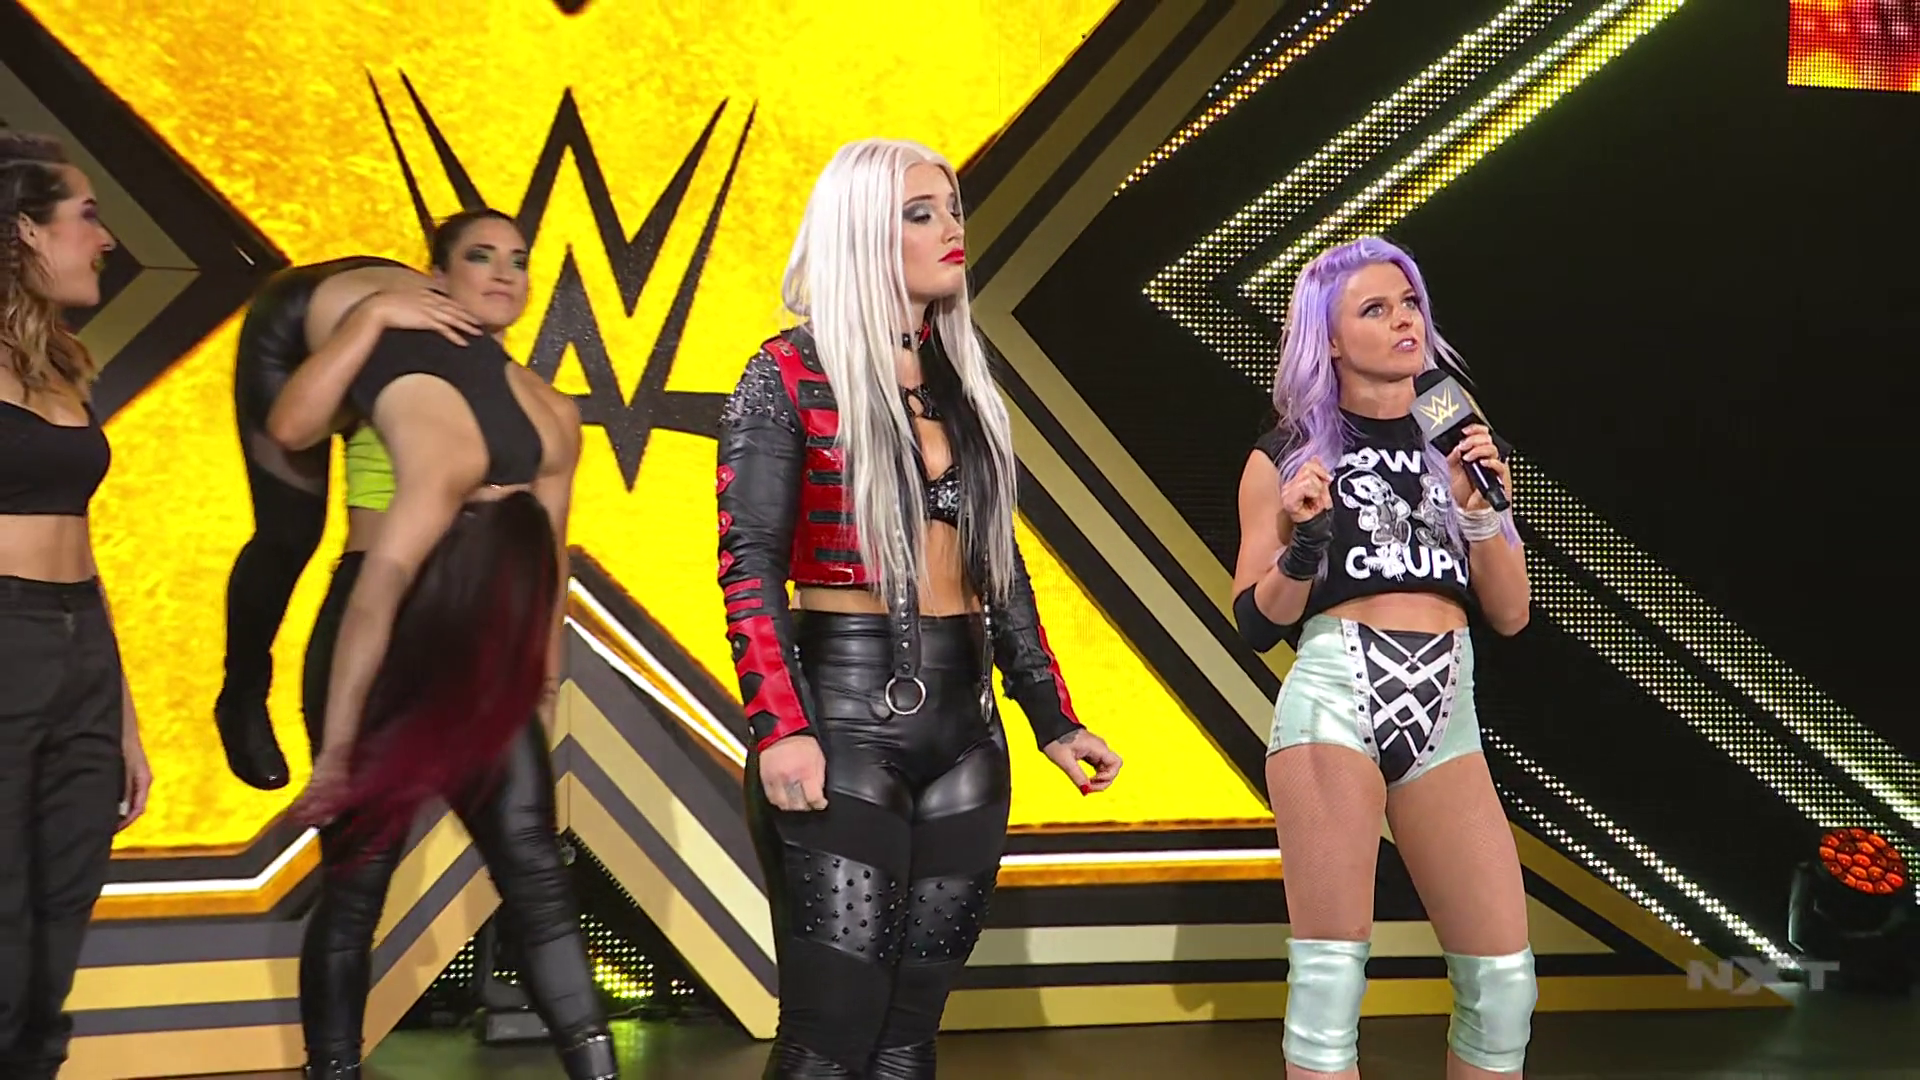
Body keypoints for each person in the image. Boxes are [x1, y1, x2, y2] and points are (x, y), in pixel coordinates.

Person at [716, 137, 1124, 1080]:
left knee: (907, 1039)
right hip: (843, 716)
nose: (951, 229)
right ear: (863, 231)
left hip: (967, 732)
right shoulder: (785, 373)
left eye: (952, 210)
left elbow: (998, 566)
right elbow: (749, 565)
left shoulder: (960, 383)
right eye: (920, 213)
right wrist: (781, 727)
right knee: (831, 1036)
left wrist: (1054, 717)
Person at [269, 211, 616, 1080]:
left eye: (518, 261)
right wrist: (370, 319)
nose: (503, 273)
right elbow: (292, 427)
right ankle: (332, 1069)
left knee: (535, 870)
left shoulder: (546, 409)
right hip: (381, 627)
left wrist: (542, 681)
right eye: (479, 257)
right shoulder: (390, 354)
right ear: (437, 275)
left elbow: (550, 556)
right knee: (358, 881)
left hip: (481, 637)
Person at [1232, 236, 1533, 1079]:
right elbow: (1255, 620)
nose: (1404, 321)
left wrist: (1481, 511)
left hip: (1448, 704)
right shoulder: (1288, 451)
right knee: (1331, 989)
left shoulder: (1458, 437)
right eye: (1375, 308)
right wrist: (1304, 544)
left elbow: (1511, 613)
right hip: (1336, 698)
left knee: (1504, 986)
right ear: (1329, 338)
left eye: (1410, 304)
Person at [0, 129, 154, 1079]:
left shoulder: (62, 366)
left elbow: (83, 551)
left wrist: (123, 714)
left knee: (64, 905)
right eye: (88, 216)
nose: (106, 240)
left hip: (79, 648)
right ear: (25, 229)